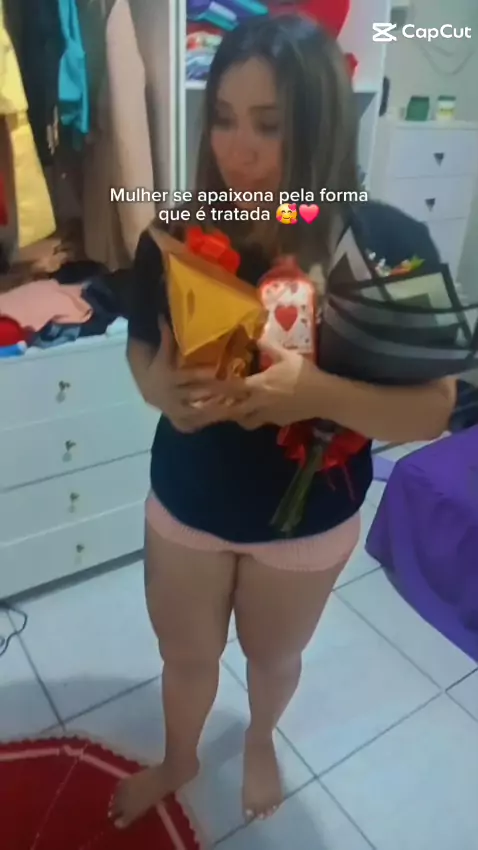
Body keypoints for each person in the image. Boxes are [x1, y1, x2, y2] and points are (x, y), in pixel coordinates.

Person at [110, 13, 456, 828]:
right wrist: (159, 390)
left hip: (308, 515)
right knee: (184, 655)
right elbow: (141, 345)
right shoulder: (176, 230)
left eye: (269, 125)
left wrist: (316, 394)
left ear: (321, 126)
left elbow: (437, 407)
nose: (239, 151)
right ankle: (180, 756)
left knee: (273, 659)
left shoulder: (386, 244)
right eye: (225, 118)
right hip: (188, 496)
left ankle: (261, 737)